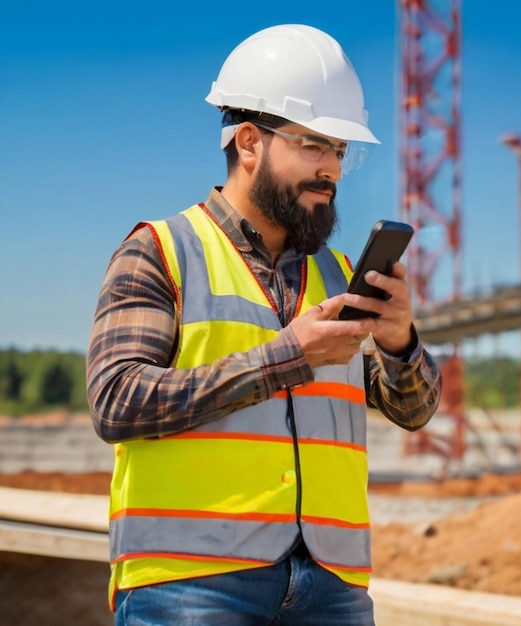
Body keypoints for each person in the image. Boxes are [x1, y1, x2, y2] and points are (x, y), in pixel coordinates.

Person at [87, 23, 442, 626]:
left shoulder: (340, 273)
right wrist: (288, 357)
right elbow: (117, 403)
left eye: (339, 151)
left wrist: (399, 341)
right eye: (312, 145)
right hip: (191, 582)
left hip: (332, 583)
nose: (330, 168)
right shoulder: (161, 251)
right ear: (249, 142)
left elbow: (414, 410)